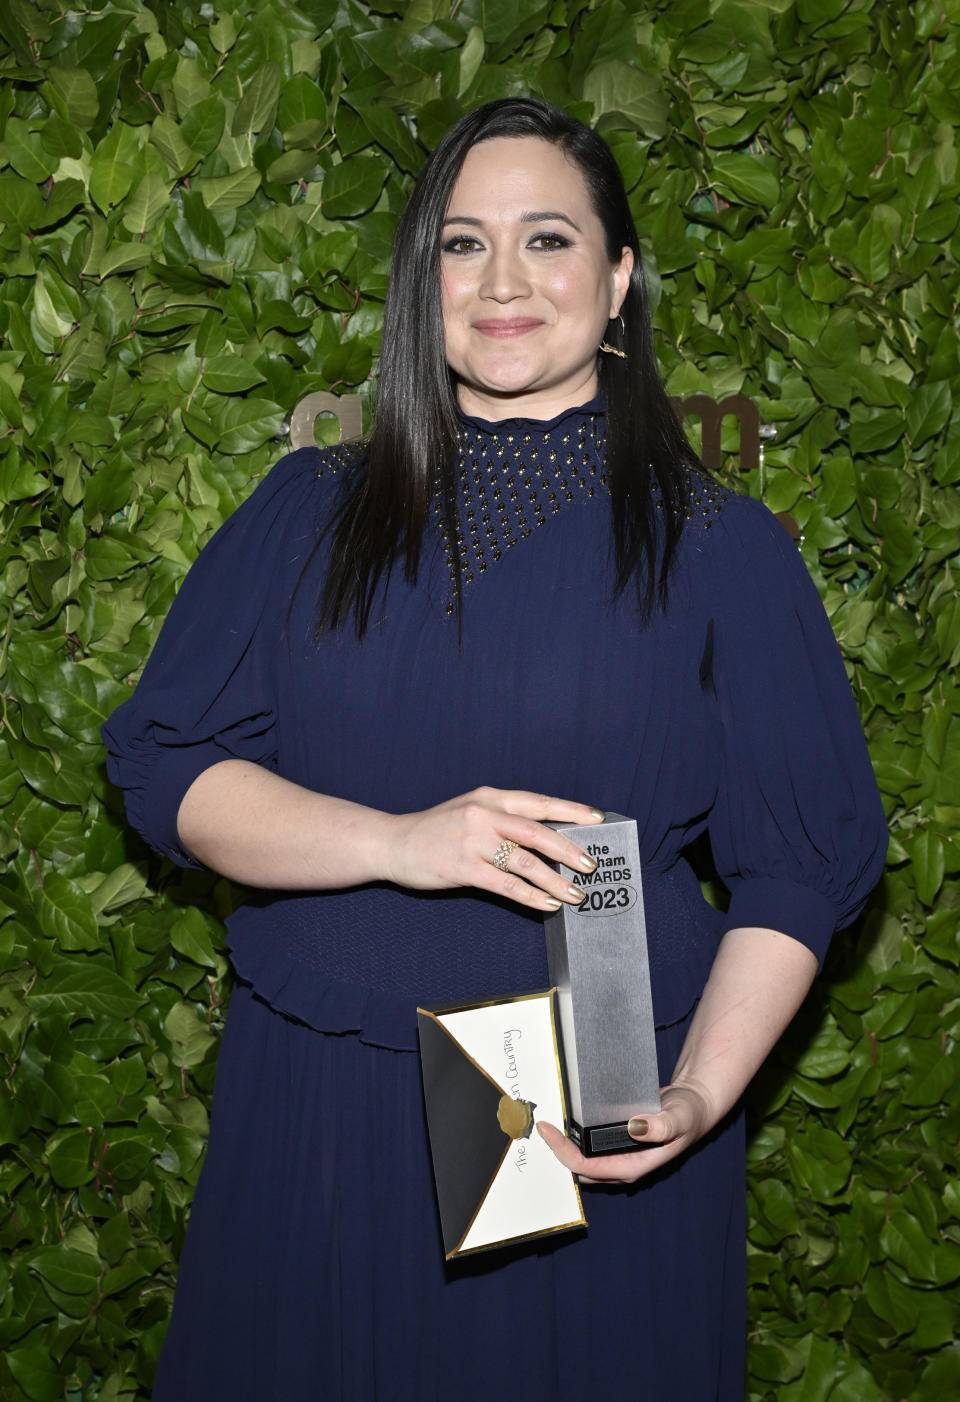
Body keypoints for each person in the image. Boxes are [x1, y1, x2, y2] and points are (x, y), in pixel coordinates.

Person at [102, 97, 887, 1400]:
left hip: (592, 1128)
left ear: (620, 275)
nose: (505, 281)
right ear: (425, 279)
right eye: (464, 245)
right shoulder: (309, 511)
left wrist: (692, 1097)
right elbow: (170, 769)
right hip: (327, 1111)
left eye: (548, 240)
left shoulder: (725, 549)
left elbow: (799, 867)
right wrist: (398, 842)